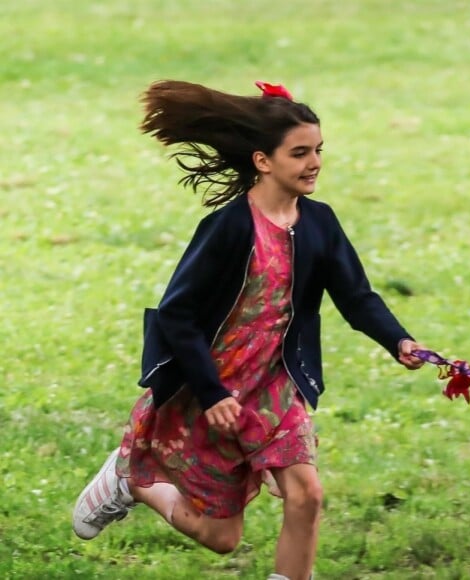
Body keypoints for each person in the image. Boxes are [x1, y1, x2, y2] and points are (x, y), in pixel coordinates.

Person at [72, 80, 426, 580]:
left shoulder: (320, 223)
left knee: (307, 495)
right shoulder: (230, 227)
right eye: (300, 153)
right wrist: (211, 391)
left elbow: (356, 296)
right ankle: (130, 481)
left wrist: (399, 340)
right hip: (212, 386)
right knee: (223, 538)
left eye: (319, 150)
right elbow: (177, 313)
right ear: (264, 161)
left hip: (275, 386)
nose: (315, 162)